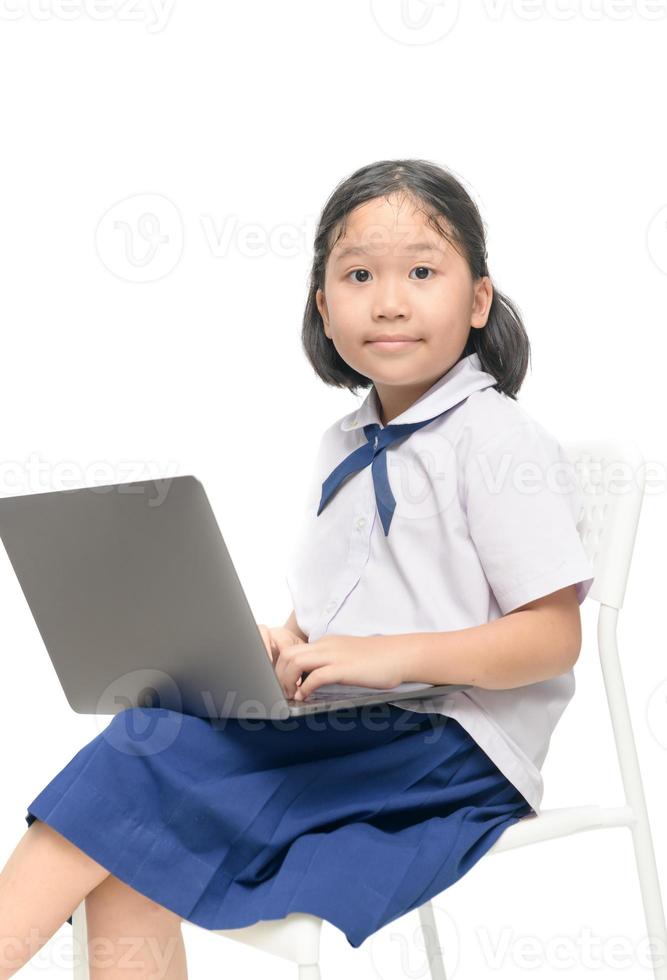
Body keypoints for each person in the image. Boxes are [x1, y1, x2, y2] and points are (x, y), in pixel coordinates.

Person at [0, 158, 595, 977]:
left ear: (478, 301)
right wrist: (277, 648)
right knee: (131, 795)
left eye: (422, 271)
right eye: (358, 276)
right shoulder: (341, 446)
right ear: (323, 306)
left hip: (447, 747)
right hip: (352, 722)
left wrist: (385, 658)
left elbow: (551, 638)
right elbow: (338, 618)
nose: (388, 300)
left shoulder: (495, 439)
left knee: (137, 768)